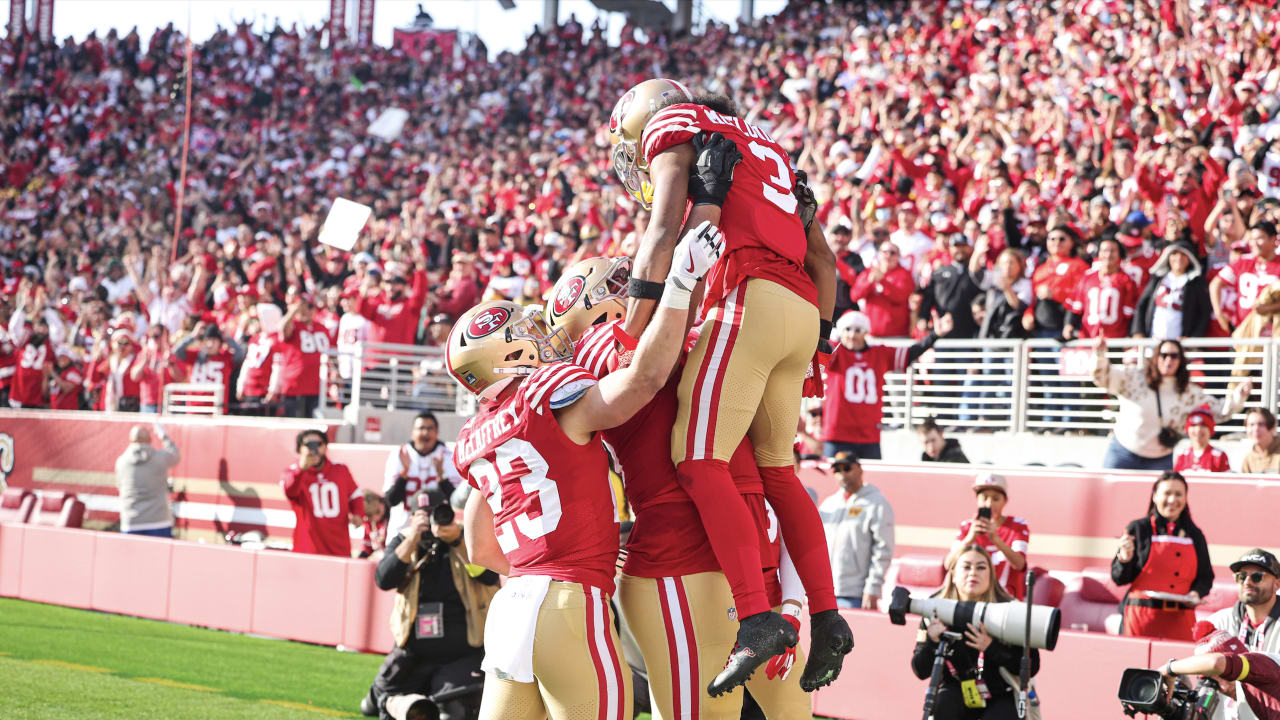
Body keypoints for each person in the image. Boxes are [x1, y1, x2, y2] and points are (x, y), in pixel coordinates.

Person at [608, 79, 850, 693]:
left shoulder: (677, 129)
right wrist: (818, 336)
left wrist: (632, 321)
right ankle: (826, 614)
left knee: (698, 459)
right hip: (799, 307)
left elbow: (663, 233)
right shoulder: (766, 147)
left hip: (750, 300)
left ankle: (756, 616)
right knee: (779, 471)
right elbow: (825, 264)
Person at [451, 221, 723, 719]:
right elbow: (641, 381)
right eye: (529, 335)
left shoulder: (476, 435)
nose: (546, 338)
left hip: (511, 608)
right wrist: (682, 284)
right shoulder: (544, 393)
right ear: (509, 356)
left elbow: (480, 547)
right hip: (569, 601)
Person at [549, 252, 834, 719]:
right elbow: (645, 372)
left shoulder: (699, 330)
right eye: (626, 280)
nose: (643, 283)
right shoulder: (601, 345)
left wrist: (792, 600)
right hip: (680, 562)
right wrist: (681, 283)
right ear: (590, 303)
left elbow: (776, 473)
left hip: (748, 560)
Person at [362, 490, 498, 720]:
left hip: (463, 652)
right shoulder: (404, 540)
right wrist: (413, 537)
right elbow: (384, 580)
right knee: (377, 706)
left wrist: (457, 541)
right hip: (413, 652)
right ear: (412, 517)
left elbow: (489, 577)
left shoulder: (465, 539)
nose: (430, 521)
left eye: (435, 514)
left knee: (454, 712)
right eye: (422, 516)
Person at [911, 545, 1041, 719]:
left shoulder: (1010, 611)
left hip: (1002, 692)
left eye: (981, 567)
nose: (973, 573)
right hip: (957, 689)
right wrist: (931, 641)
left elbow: (1031, 667)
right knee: (944, 706)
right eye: (966, 567)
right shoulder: (935, 609)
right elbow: (920, 670)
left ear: (991, 576)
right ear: (953, 575)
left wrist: (991, 647)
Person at [1093, 337, 1250, 471]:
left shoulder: (1189, 392)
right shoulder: (1133, 377)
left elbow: (1219, 410)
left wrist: (1240, 395)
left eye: (1174, 356)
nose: (1169, 360)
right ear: (1156, 357)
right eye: (1164, 355)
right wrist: (1100, 355)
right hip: (1124, 452)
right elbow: (1103, 378)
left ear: (1181, 360)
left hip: (1160, 458)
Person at [820, 310, 945, 460]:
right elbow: (822, 350)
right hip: (838, 434)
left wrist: (934, 335)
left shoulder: (880, 353)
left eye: (858, 330)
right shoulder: (836, 352)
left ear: (865, 332)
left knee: (870, 479)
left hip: (869, 437)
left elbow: (910, 353)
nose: (852, 335)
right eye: (848, 329)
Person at [1112, 471, 1214, 640]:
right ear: (1154, 496)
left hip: (1181, 620)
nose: (1173, 500)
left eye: (1178, 494)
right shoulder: (1138, 529)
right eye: (1167, 493)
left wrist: (1196, 594)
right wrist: (1125, 557)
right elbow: (1118, 578)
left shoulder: (1195, 534)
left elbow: (1206, 577)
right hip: (1140, 617)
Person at [818, 452, 894, 610]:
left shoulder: (877, 503)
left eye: (847, 468)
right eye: (837, 471)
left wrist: (872, 588)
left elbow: (883, 550)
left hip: (856, 594)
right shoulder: (829, 504)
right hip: (825, 593)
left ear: (860, 469)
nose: (842, 474)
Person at [1159, 622, 1280, 720]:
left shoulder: (1263, 664)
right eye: (1214, 683)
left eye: (1225, 676)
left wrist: (1170, 669)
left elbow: (1216, 663)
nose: (1224, 687)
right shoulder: (1230, 704)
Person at [280, 429, 365, 557]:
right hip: (307, 549)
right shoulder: (292, 472)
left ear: (325, 447)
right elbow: (289, 491)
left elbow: (356, 495)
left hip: (339, 548)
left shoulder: (340, 469)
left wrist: (358, 513)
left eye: (318, 444)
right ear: (300, 449)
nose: (314, 449)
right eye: (308, 445)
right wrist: (301, 469)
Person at [946, 473, 1030, 600]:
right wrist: (970, 538)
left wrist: (995, 539)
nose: (989, 504)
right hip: (971, 602)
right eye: (984, 498)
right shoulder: (967, 526)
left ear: (1005, 501)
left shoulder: (1017, 526)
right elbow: (948, 564)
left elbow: (1019, 564)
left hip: (1006, 603)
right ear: (977, 500)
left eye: (996, 499)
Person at [383, 411, 463, 533]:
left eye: (430, 428)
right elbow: (391, 500)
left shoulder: (449, 456)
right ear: (412, 433)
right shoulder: (399, 454)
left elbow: (456, 502)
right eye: (421, 428)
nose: (425, 433)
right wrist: (404, 475)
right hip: (403, 531)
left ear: (436, 432)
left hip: (438, 533)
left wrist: (442, 477)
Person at [1132, 239, 1211, 340]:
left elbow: (1204, 313)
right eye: (1174, 254)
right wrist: (1138, 331)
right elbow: (1142, 305)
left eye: (1183, 255)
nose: (1178, 258)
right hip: (1153, 338)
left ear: (1190, 258)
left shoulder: (1195, 283)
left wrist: (1193, 337)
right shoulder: (1158, 279)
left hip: (1179, 344)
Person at [1209, 549, 1280, 656]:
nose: (1247, 582)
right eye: (1241, 577)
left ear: (1276, 584)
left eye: (1257, 576)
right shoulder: (1218, 622)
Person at [114, 423, 180, 537]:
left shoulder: (121, 462)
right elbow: (175, 455)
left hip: (131, 521)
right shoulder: (161, 458)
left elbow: (119, 486)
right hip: (159, 520)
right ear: (150, 439)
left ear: (131, 440)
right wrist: (163, 435)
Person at [1173, 406, 1231, 473]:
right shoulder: (1182, 455)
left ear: (1210, 430)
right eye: (1193, 425)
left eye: (1203, 425)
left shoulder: (1219, 455)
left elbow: (1226, 481)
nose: (1198, 430)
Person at [1242, 408, 1280, 474]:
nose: (1256, 429)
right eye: (1251, 425)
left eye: (1261, 424)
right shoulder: (1248, 460)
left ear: (1272, 427)